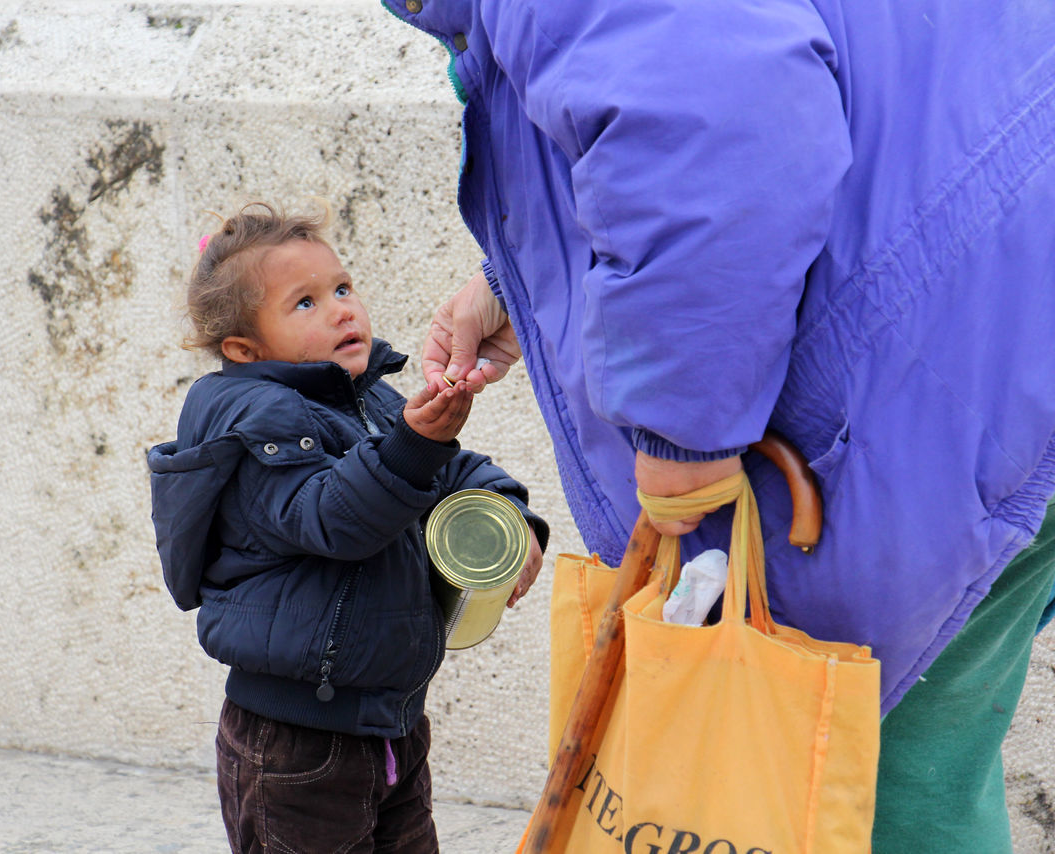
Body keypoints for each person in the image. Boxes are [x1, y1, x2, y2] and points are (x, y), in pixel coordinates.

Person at [382, 1, 1055, 850]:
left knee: (841, 755)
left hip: (923, 360)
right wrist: (510, 277)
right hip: (999, 322)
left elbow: (719, 130)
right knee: (920, 749)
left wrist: (680, 429)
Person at [146, 201, 548, 854]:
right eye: (304, 303)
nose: (340, 308)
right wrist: (414, 448)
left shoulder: (371, 400)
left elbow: (455, 471)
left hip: (392, 725)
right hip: (295, 744)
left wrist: (509, 514)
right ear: (245, 349)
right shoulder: (256, 426)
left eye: (341, 287)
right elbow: (333, 518)